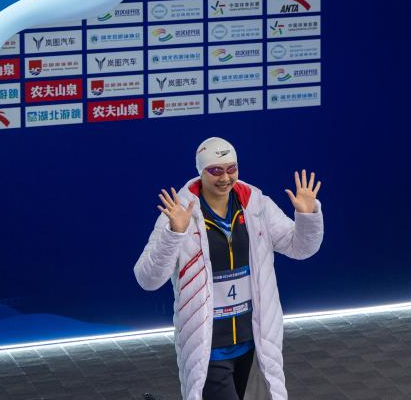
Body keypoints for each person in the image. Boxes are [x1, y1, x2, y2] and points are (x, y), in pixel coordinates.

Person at [134, 136, 324, 400]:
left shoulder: (256, 205)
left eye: (231, 169)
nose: (225, 178)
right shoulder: (181, 212)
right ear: (201, 172)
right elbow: (148, 279)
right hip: (208, 346)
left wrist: (307, 216)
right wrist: (174, 234)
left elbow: (299, 248)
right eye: (215, 170)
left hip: (254, 340)